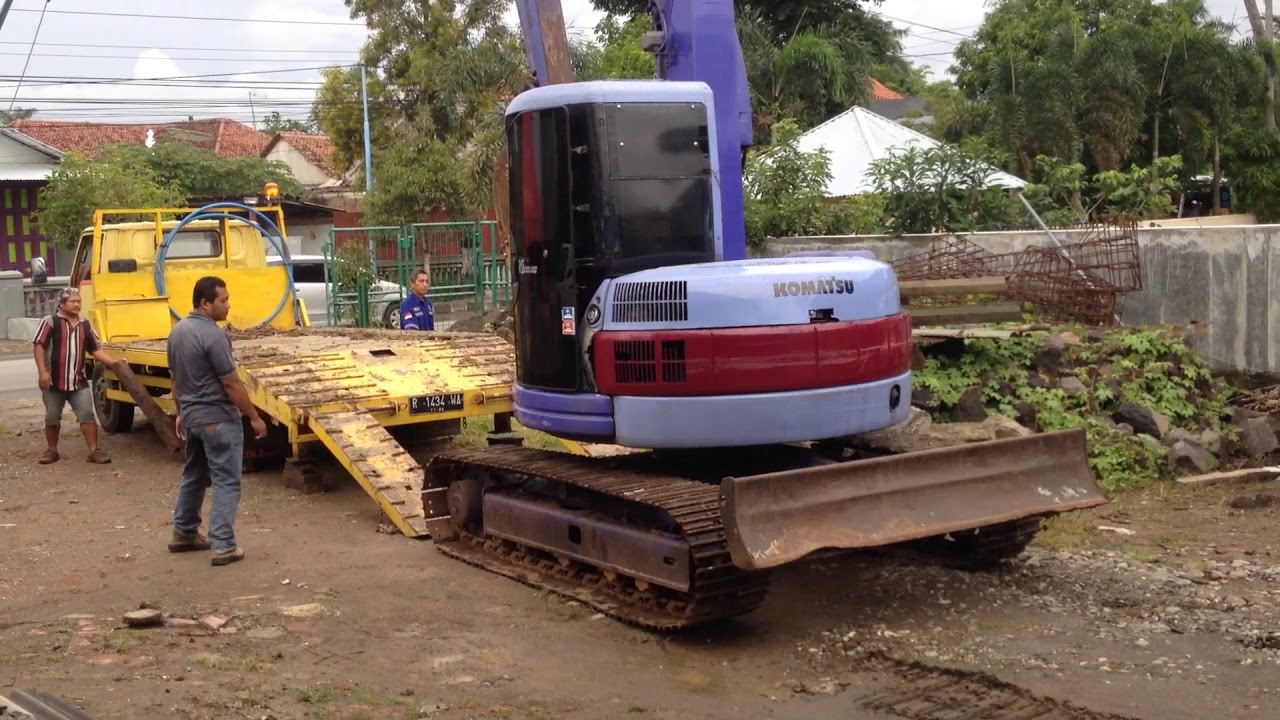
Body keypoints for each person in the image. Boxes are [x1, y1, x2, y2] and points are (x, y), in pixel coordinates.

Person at [166, 275, 268, 567]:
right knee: (227, 481)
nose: (228, 305)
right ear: (205, 303)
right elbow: (232, 384)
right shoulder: (213, 336)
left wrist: (181, 412)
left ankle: (184, 533)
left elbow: (175, 380)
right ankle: (223, 545)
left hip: (194, 418)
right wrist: (254, 417)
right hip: (219, 419)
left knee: (195, 475)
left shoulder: (177, 333)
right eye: (223, 300)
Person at [32, 287, 118, 465]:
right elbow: (38, 346)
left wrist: (113, 363)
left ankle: (94, 451)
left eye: (78, 301)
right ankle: (52, 451)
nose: (77, 304)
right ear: (62, 304)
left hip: (78, 382)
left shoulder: (85, 324)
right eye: (72, 301)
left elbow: (96, 350)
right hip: (53, 382)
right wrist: (43, 372)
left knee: (87, 415)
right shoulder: (51, 321)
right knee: (52, 417)